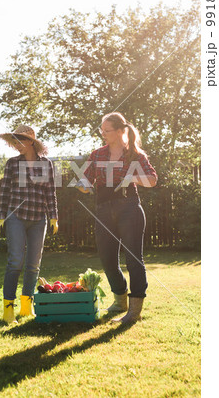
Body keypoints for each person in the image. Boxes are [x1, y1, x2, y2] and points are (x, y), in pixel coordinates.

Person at [77, 112, 157, 324]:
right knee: (108, 259)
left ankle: (134, 311)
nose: (103, 134)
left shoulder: (135, 155)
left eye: (107, 130)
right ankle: (120, 300)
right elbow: (82, 180)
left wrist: (132, 176)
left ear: (121, 131)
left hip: (129, 207)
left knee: (134, 259)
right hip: (103, 209)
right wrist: (84, 186)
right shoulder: (97, 155)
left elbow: (152, 179)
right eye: (101, 130)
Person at [0, 124, 58, 324]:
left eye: (20, 140)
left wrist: (54, 216)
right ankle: (8, 310)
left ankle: (26, 307)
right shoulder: (12, 164)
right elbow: (4, 190)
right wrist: (1, 215)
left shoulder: (46, 164)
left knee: (33, 265)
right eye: (15, 141)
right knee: (15, 262)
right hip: (16, 216)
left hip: (39, 218)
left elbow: (50, 192)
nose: (17, 145)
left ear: (31, 142)